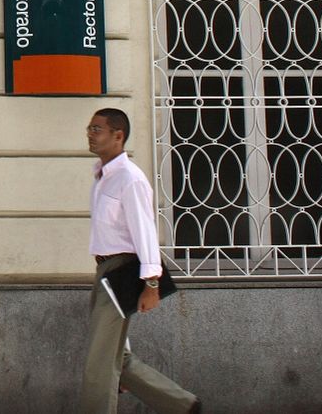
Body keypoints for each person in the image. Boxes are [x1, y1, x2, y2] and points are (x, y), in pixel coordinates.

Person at [83, 108, 201, 414]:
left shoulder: (129, 178)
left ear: (118, 135)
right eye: (90, 128)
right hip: (105, 271)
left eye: (97, 129)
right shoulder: (103, 176)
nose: (90, 134)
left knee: (100, 360)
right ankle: (182, 405)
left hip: (122, 269)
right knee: (117, 357)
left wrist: (151, 284)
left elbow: (145, 233)